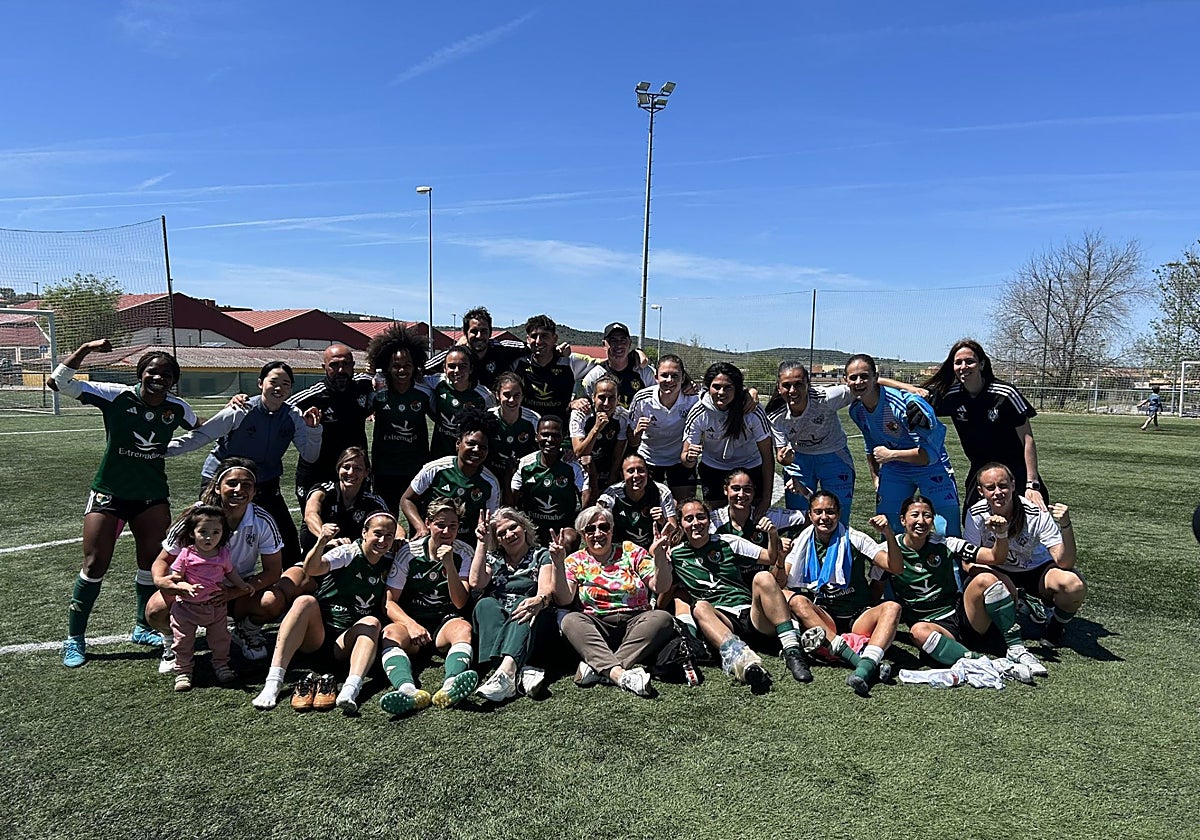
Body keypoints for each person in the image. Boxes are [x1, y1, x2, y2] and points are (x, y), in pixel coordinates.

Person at [50, 339, 198, 668]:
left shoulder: (177, 409)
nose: (157, 378)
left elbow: (201, 429)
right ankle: (75, 638)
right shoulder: (116, 395)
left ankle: (142, 626)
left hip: (152, 496)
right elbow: (57, 382)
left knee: (151, 563)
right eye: (151, 372)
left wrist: (175, 447)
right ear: (140, 374)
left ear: (174, 380)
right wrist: (86, 348)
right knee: (94, 564)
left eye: (165, 374)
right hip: (110, 494)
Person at [167, 360, 322, 565]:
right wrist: (161, 450)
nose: (279, 388)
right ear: (260, 383)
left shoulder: (292, 416)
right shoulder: (241, 409)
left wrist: (313, 430)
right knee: (210, 535)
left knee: (287, 541)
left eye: (286, 384)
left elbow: (310, 456)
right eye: (273, 381)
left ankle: (290, 589)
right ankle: (197, 580)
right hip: (222, 481)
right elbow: (201, 436)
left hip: (264, 483)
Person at [251, 511, 401, 713]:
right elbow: (312, 569)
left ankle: (351, 690)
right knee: (305, 601)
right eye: (377, 533)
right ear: (364, 533)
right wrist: (322, 541)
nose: (383, 540)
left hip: (346, 642)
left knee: (372, 621)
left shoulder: (391, 559)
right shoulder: (348, 553)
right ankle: (274, 681)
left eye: (389, 535)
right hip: (318, 635)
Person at [879, 494, 1045, 676]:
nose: (921, 521)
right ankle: (988, 664)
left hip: (962, 615)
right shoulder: (887, 552)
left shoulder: (945, 543)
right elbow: (875, 589)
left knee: (986, 579)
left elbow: (995, 557)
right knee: (918, 632)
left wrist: (1001, 534)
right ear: (902, 520)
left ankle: (1016, 649)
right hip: (932, 625)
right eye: (915, 515)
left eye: (927, 515)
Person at [148, 458, 286, 669]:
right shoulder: (195, 517)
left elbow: (273, 571)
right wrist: (161, 581)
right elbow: (162, 560)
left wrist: (233, 593)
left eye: (246, 485)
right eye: (231, 483)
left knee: (272, 601)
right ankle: (171, 642)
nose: (238, 489)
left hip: (234, 590)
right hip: (192, 591)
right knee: (155, 609)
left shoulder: (262, 520)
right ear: (218, 486)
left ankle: (246, 629)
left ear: (255, 490)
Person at [883, 338, 1049, 512]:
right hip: (980, 471)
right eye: (958, 362)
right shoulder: (951, 396)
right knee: (973, 526)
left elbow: (1027, 439)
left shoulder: (1005, 394)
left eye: (970, 361)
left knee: (1029, 526)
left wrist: (1032, 484)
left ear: (982, 364)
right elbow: (905, 388)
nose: (963, 366)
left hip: (1014, 471)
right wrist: (907, 392)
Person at [670, 499, 813, 690]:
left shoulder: (727, 541)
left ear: (708, 520)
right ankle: (745, 663)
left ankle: (793, 652)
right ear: (681, 524)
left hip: (751, 615)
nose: (696, 523)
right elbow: (661, 586)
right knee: (700, 607)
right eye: (689, 519)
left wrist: (772, 534)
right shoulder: (675, 555)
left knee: (763, 577)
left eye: (701, 517)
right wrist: (658, 557)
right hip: (722, 620)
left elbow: (769, 557)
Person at [782, 491, 902, 697]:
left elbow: (895, 567)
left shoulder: (855, 538)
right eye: (818, 512)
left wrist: (889, 534)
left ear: (839, 514)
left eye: (830, 512)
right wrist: (779, 557)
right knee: (790, 598)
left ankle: (860, 664)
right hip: (825, 616)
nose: (824, 518)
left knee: (893, 607)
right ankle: (863, 665)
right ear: (810, 515)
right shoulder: (802, 539)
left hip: (858, 616)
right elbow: (781, 582)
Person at [551, 505, 677, 698]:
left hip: (635, 621)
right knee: (570, 620)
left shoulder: (630, 551)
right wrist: (558, 565)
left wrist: (659, 557)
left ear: (612, 529)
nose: (598, 533)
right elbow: (564, 598)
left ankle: (599, 669)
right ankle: (620, 675)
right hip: (596, 624)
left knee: (662, 617)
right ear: (583, 534)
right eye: (590, 529)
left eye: (604, 527)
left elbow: (660, 587)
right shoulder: (575, 560)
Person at [963, 463, 1086, 646]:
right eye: (990, 488)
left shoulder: (1036, 513)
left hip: (1035, 569)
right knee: (979, 635)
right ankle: (1016, 605)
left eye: (1003, 485)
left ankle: (1056, 625)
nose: (998, 492)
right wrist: (1001, 577)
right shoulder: (975, 514)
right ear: (981, 491)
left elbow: (1064, 562)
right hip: (997, 569)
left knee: (1073, 585)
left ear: (1013, 485)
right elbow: (968, 562)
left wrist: (1066, 526)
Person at [376, 500, 479, 714]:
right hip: (413, 622)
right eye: (440, 524)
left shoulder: (465, 552)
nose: (446, 531)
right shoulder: (409, 553)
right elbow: (389, 601)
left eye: (453, 526)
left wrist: (449, 564)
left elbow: (460, 601)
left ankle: (451, 686)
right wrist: (411, 625)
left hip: (445, 620)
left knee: (463, 629)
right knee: (390, 633)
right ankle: (408, 691)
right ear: (428, 523)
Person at [844, 353, 961, 537]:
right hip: (895, 469)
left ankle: (951, 566)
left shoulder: (905, 406)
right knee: (888, 527)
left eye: (865, 376)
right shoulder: (857, 411)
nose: (859, 382)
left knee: (946, 528)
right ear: (846, 380)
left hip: (931, 466)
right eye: (853, 377)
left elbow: (927, 455)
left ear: (876, 377)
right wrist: (876, 477)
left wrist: (891, 455)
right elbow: (871, 445)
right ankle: (894, 566)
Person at [160, 505, 252, 691]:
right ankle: (184, 672)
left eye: (215, 532)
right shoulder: (186, 554)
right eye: (203, 532)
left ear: (222, 533)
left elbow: (231, 572)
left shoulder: (223, 554)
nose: (209, 537)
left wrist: (242, 586)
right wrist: (185, 587)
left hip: (215, 607)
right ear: (193, 533)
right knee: (183, 641)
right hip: (186, 608)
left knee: (221, 640)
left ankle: (221, 666)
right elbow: (176, 577)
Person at [469, 508, 556, 702]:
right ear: (497, 540)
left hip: (531, 619)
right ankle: (518, 671)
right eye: (501, 533)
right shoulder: (494, 558)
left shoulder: (542, 555)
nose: (509, 535)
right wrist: (482, 543)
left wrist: (538, 600)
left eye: (513, 527)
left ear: (524, 527)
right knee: (485, 605)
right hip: (500, 616)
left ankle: (506, 673)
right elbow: (476, 583)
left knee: (523, 604)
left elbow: (545, 590)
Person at [764, 361, 856, 525]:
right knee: (799, 518)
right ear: (779, 388)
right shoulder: (774, 414)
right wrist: (786, 458)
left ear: (808, 384)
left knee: (837, 515)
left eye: (798, 384)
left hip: (834, 456)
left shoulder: (826, 397)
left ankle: (839, 550)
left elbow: (866, 384)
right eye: (787, 385)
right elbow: (781, 456)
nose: (793, 391)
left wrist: (911, 390)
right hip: (799, 461)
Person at [682, 362, 773, 517]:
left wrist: (766, 499)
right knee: (716, 519)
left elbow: (767, 457)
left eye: (728, 387)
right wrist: (690, 457)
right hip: (714, 468)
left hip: (750, 466)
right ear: (708, 387)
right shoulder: (699, 412)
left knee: (754, 519)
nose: (721, 392)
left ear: (737, 388)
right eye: (716, 387)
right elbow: (685, 457)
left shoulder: (752, 411)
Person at [401, 406, 502, 548]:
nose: (476, 450)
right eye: (471, 443)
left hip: (466, 546)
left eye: (483, 447)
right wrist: (420, 527)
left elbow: (491, 521)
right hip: (432, 540)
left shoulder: (490, 483)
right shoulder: (436, 469)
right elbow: (407, 500)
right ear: (458, 443)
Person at [288, 343, 374, 503]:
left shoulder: (363, 386)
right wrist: (243, 402)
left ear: (353, 365)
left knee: (356, 523)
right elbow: (277, 406)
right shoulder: (312, 396)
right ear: (324, 367)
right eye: (334, 365)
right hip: (317, 473)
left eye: (345, 364)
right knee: (314, 523)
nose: (341, 370)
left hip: (353, 472)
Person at [365, 324, 433, 515]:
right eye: (396, 365)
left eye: (407, 365)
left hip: (416, 468)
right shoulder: (377, 391)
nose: (402, 370)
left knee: (418, 519)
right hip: (384, 469)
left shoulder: (425, 392)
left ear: (415, 366)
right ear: (387, 365)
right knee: (386, 518)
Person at [627, 353, 699, 502]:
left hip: (680, 459)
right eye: (664, 375)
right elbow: (632, 441)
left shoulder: (693, 399)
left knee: (684, 507)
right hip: (649, 458)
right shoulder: (642, 399)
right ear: (656, 377)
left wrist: (751, 392)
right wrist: (638, 431)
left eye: (675, 376)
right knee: (649, 508)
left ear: (683, 378)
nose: (669, 380)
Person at [709, 468, 807, 574]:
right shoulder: (713, 522)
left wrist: (805, 492)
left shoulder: (768, 516)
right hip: (728, 587)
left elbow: (813, 517)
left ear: (754, 491)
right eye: (736, 488)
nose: (741, 495)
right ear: (725, 489)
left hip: (760, 584)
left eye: (747, 489)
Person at [300, 446, 389, 554]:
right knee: (290, 572)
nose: (351, 472)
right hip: (316, 559)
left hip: (352, 561)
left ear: (366, 472)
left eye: (357, 468)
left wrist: (400, 539)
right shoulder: (322, 491)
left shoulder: (373, 502)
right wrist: (325, 537)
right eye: (346, 467)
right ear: (338, 469)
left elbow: (393, 525)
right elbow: (310, 514)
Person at [512, 415, 586, 544]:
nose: (550, 440)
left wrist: (577, 524)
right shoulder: (525, 464)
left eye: (555, 435)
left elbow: (586, 496)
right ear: (536, 436)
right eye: (545, 435)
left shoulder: (572, 466)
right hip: (532, 527)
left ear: (563, 437)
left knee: (569, 539)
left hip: (562, 527)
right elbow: (511, 500)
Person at [510, 314, 595, 421]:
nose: (538, 341)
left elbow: (605, 367)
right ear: (527, 339)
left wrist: (581, 399)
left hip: (559, 430)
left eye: (544, 336)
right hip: (527, 429)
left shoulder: (571, 361)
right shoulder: (518, 363)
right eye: (534, 336)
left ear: (555, 338)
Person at [428, 307, 527, 390]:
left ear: (490, 332)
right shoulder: (454, 356)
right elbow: (422, 368)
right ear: (465, 332)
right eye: (474, 331)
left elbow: (532, 346)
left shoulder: (502, 349)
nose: (479, 336)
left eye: (483, 331)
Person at [426, 346, 496, 459]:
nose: (457, 371)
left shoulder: (484, 396)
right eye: (452, 366)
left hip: (467, 460)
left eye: (462, 366)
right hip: (438, 455)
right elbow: (415, 378)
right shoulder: (436, 382)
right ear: (444, 368)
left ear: (471, 369)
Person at [570, 374, 629, 506]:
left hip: (606, 468)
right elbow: (579, 452)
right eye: (602, 398)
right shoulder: (580, 414)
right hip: (582, 468)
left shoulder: (623, 417)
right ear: (593, 398)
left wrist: (611, 482)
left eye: (612, 398)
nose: (606, 403)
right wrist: (596, 428)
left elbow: (617, 455)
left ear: (618, 399)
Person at [598, 453, 678, 549]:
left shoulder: (661, 492)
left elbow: (675, 534)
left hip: (656, 547)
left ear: (647, 473)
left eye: (640, 470)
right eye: (630, 471)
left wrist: (663, 521)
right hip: (622, 548)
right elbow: (598, 527)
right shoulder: (612, 494)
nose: (636, 475)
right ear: (622, 475)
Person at [486, 371, 540, 498]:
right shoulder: (488, 417)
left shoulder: (533, 419)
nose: (512, 400)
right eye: (507, 395)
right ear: (497, 396)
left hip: (523, 475)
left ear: (522, 396)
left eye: (517, 395)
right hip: (493, 473)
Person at [581, 322, 655, 407]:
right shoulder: (594, 377)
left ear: (630, 343)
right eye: (613, 340)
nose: (619, 345)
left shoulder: (644, 372)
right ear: (604, 344)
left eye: (623, 340)